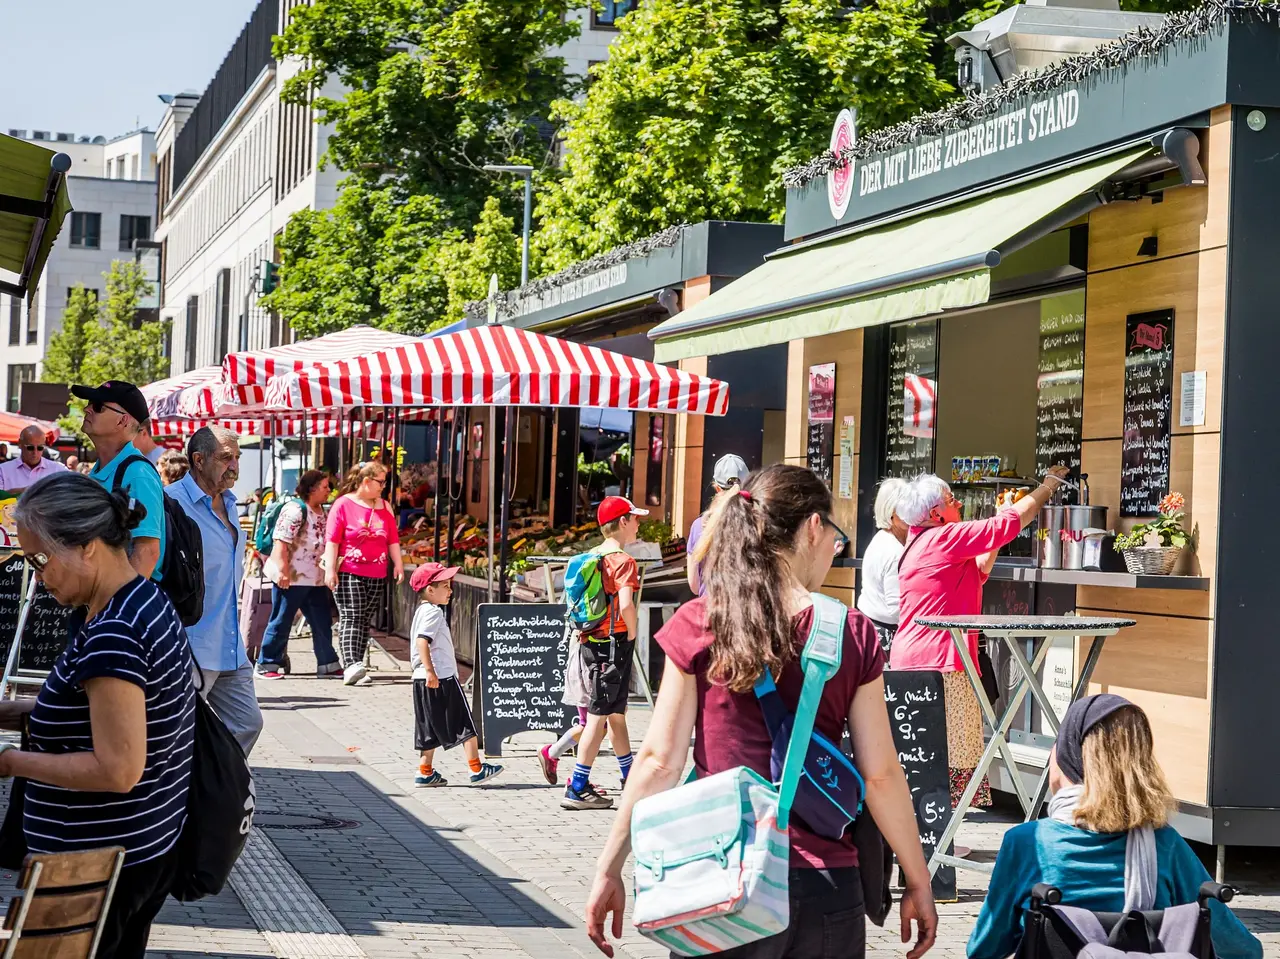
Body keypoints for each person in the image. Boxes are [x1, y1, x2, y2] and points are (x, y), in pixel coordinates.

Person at [585, 464, 938, 959]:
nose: (834, 552)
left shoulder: (699, 622)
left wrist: (609, 866)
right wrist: (918, 879)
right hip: (823, 888)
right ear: (813, 527)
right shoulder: (849, 633)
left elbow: (658, 762)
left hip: (719, 879)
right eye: (835, 537)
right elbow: (879, 775)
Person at [6, 473, 196, 958]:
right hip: (139, 846)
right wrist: (11, 712)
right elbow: (101, 711)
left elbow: (117, 768)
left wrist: (8, 763)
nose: (38, 574)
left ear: (88, 546)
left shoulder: (115, 630)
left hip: (94, 863)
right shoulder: (142, 599)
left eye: (41, 558)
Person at [968, 695, 1261, 959]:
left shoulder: (1027, 843)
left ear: (1069, 754)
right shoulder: (1164, 844)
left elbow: (985, 948)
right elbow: (1241, 949)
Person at [892, 467, 1069, 811]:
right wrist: (1047, 487)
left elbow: (981, 565)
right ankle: (942, 836)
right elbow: (1005, 526)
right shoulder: (943, 538)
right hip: (942, 661)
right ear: (935, 514)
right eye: (950, 499)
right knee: (954, 754)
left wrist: (1005, 513)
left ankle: (934, 834)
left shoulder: (921, 542)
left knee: (927, 754)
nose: (957, 502)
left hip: (917, 658)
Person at [166, 426, 263, 755]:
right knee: (177, 732)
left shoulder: (232, 504)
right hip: (191, 641)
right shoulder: (172, 503)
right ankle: (183, 797)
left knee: (247, 723)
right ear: (198, 460)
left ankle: (214, 789)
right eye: (225, 457)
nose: (234, 465)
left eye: (237, 457)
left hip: (230, 642)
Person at [562, 495, 645, 811]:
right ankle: (577, 787)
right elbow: (625, 604)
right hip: (614, 647)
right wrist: (633, 633)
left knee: (615, 715)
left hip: (592, 644)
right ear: (623, 522)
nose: (638, 524)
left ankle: (630, 780)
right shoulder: (624, 562)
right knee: (598, 719)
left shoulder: (593, 556)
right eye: (635, 518)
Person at [410, 561, 503, 786]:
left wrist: (424, 672)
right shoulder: (433, 613)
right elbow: (423, 642)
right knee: (464, 722)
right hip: (440, 676)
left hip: (421, 678)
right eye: (445, 585)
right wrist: (432, 671)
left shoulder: (422, 611)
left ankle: (425, 771)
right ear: (430, 590)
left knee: (428, 726)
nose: (450, 590)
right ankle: (477, 768)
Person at [75, 380, 166, 581]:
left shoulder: (137, 473)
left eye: (97, 406)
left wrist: (119, 605)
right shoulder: (102, 471)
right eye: (90, 403)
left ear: (123, 421)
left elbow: (147, 552)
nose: (87, 409)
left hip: (119, 606)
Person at [257, 469, 341, 680]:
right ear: (312, 489)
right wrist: (283, 572)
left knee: (321, 622)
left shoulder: (323, 510)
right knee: (281, 620)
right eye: (325, 487)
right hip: (292, 578)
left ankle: (328, 662)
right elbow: (281, 542)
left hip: (315, 578)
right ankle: (267, 663)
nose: (329, 491)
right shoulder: (295, 510)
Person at [325, 461, 404, 686]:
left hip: (377, 571)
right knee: (352, 615)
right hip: (350, 569)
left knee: (364, 618)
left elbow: (393, 539)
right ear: (366, 481)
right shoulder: (343, 505)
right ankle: (351, 664)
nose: (383, 486)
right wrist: (330, 570)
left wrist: (397, 564)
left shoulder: (384, 506)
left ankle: (357, 664)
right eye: (380, 481)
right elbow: (333, 540)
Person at [857, 477, 909, 655]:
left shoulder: (881, 539)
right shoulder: (894, 551)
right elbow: (897, 610)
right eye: (907, 508)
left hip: (871, 628)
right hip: (885, 637)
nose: (914, 513)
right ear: (892, 514)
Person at [685, 453, 748, 595]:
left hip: (709, 610)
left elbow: (694, 584)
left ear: (717, 488)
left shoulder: (699, 526)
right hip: (747, 612)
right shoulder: (758, 522)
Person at [0, 424, 67, 492]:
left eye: (40, 448)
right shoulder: (2, 471)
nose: (35, 452)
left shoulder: (58, 470)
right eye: (30, 447)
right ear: (20, 444)